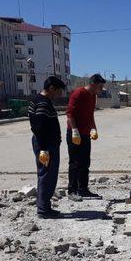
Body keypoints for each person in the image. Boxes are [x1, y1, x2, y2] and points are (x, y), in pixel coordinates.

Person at [28, 76, 66, 219]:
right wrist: (44, 148)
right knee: (47, 176)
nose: (60, 95)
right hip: (46, 144)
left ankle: (44, 207)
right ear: (51, 88)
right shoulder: (43, 103)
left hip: (46, 143)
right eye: (59, 91)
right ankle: (44, 210)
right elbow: (38, 127)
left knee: (45, 174)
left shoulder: (38, 100)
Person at [66, 73, 106, 201]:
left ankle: (83, 188)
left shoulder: (93, 96)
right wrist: (74, 130)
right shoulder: (78, 93)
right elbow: (70, 113)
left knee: (85, 162)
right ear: (93, 84)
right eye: (100, 86)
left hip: (85, 134)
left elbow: (90, 114)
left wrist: (93, 128)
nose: (101, 89)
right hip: (75, 134)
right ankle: (72, 190)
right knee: (75, 162)